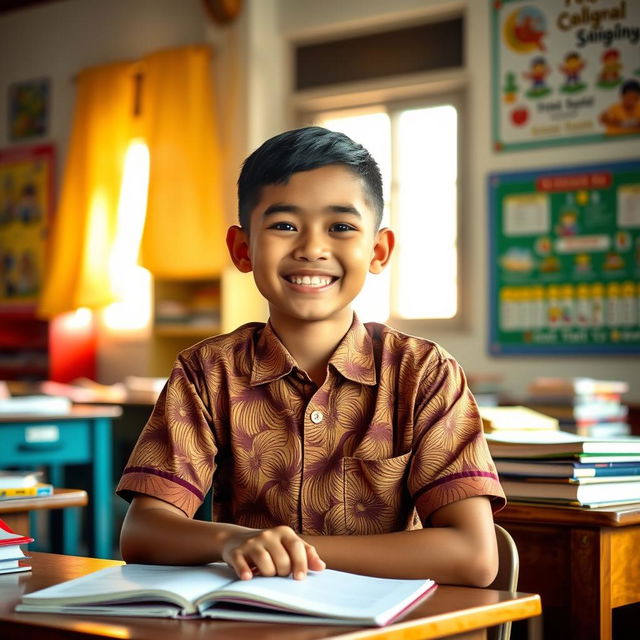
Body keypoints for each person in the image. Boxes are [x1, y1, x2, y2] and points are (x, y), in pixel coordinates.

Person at [117, 126, 506, 586]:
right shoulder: (207, 372)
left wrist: (296, 552)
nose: (312, 249)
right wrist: (229, 541)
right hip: (252, 620)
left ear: (378, 251)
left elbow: (474, 556)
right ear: (243, 250)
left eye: (341, 227)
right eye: (284, 225)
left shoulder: (423, 374)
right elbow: (142, 532)